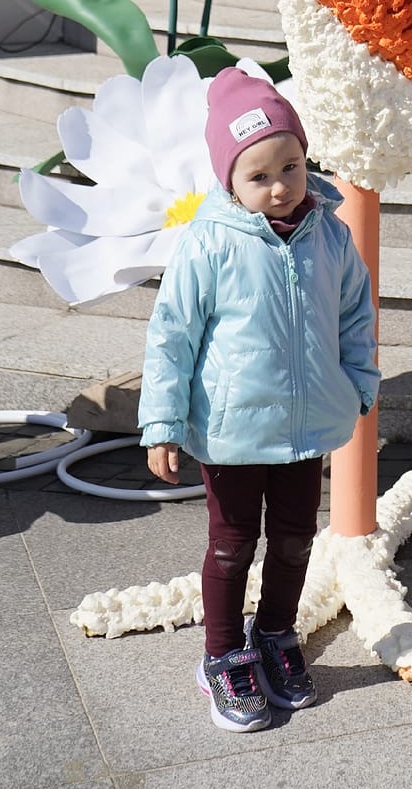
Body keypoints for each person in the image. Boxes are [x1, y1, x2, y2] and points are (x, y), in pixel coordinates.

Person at [139, 68, 380, 732]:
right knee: (231, 544)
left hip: (306, 427)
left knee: (298, 538)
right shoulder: (210, 241)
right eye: (259, 176)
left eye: (290, 165)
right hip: (231, 429)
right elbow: (173, 334)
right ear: (228, 181)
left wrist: (358, 384)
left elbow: (354, 316)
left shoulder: (330, 235)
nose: (279, 185)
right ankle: (222, 655)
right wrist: (161, 422)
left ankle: (275, 633)